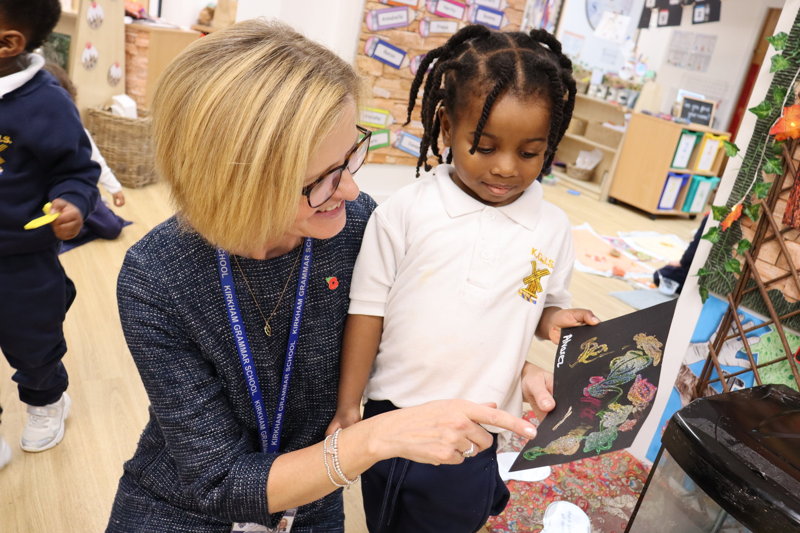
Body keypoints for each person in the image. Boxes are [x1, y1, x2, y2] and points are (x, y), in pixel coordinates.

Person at [105, 19, 540, 533]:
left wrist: (509, 360)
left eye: (351, 156)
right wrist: (371, 441)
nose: (352, 191)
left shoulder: (358, 226)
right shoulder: (156, 277)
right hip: (183, 504)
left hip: (311, 501)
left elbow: (429, 318)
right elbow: (217, 481)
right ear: (233, 182)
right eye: (321, 180)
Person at [327, 25, 600, 532]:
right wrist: (349, 407)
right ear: (448, 128)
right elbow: (368, 311)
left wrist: (559, 320)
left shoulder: (553, 227)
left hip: (485, 418)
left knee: (463, 515)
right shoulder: (406, 213)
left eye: (528, 153)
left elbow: (538, 305)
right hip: (400, 413)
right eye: (484, 145)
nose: (504, 169)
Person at [0, 0, 99, 453]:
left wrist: (73, 203)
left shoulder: (46, 104)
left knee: (34, 344)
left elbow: (77, 171)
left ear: (8, 42)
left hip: (21, 261)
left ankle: (47, 401)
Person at [42, 61, 128, 246]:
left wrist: (114, 188)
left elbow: (97, 162)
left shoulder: (76, 132)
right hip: (45, 200)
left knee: (112, 228)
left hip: (75, 195)